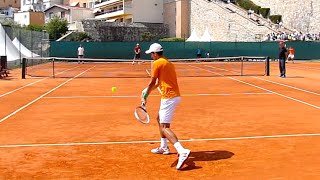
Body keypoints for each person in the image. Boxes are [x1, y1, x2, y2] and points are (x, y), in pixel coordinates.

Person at [141, 43, 191, 170]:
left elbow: (153, 82)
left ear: (155, 54)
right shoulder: (168, 63)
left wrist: (145, 95)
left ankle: (182, 150)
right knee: (159, 119)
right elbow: (159, 82)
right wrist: (147, 91)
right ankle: (164, 147)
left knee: (164, 127)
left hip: (169, 97)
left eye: (151, 54)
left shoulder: (157, 63)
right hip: (173, 96)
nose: (151, 56)